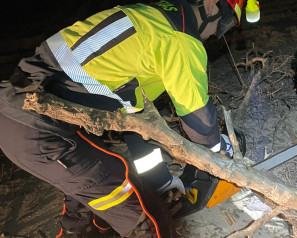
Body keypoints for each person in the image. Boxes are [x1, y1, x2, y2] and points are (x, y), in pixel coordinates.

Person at [0, 0, 246, 237]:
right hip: (39, 127)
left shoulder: (150, 20)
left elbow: (137, 124)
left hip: (17, 109)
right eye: (222, 24)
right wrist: (218, 151)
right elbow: (198, 118)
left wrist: (161, 182)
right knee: (149, 219)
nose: (215, 35)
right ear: (212, 4)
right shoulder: (179, 39)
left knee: (89, 211)